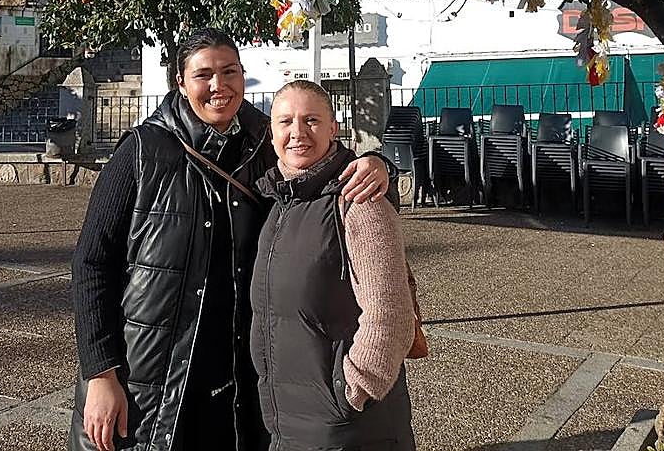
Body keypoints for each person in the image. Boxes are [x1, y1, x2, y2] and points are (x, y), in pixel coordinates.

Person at [70, 29, 391, 451]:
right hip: (151, 369)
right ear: (181, 84)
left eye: (229, 72)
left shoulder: (264, 142)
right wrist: (100, 373)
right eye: (204, 74)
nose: (218, 85)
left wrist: (379, 164)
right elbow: (92, 262)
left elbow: (329, 168)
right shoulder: (143, 150)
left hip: (238, 375)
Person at [251, 80, 416, 450]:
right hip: (288, 419)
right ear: (271, 132)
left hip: (347, 428)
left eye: (311, 120)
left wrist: (354, 389)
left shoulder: (359, 199)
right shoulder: (278, 200)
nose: (298, 133)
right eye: (285, 121)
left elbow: (391, 313)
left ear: (333, 127)